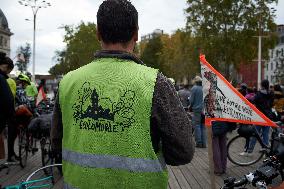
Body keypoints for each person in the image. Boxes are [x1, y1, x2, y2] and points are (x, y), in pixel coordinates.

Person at [51, 1, 194, 188]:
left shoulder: (68, 82)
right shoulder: (155, 83)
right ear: (136, 34)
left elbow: (56, 144)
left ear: (98, 33)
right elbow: (182, 153)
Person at [0, 52, 15, 160]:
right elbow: (8, 99)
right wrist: (11, 116)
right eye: (9, 70)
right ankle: (10, 155)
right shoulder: (1, 78)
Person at [189, 75, 206, 148]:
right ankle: (204, 143)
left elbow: (191, 100)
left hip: (197, 110)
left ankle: (199, 142)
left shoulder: (194, 88)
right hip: (204, 110)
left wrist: (190, 106)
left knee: (197, 125)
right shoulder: (204, 88)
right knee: (203, 126)